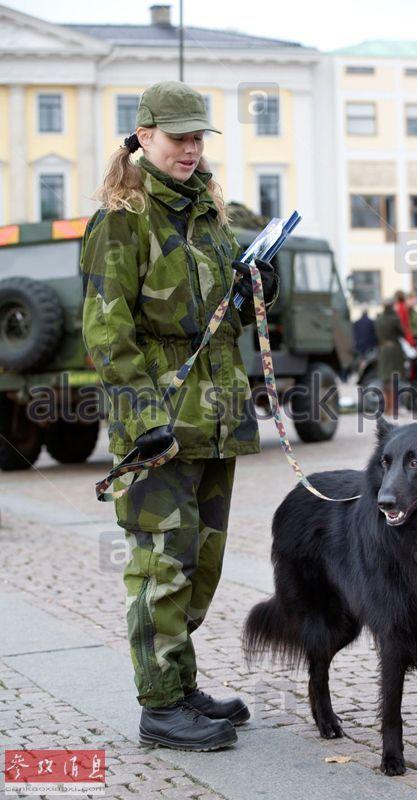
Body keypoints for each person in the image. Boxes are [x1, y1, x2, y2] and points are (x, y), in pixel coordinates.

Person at [80, 81, 280, 751]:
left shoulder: (210, 214)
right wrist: (141, 423)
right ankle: (160, 707)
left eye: (198, 137)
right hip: (161, 429)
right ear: (144, 137)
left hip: (216, 419)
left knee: (200, 564)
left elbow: (222, 317)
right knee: (160, 565)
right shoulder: (122, 219)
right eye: (179, 137)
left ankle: (180, 683)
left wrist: (257, 289)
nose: (191, 149)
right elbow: (107, 335)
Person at [374, 297, 405, 416]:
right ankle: (393, 408)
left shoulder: (379, 319)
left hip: (382, 349)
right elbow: (402, 332)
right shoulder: (394, 318)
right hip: (393, 350)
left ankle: (387, 408)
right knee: (394, 379)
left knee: (385, 379)